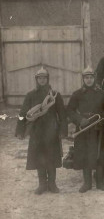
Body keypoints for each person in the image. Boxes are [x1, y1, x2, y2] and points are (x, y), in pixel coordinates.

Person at [15, 67, 67, 195]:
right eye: (40, 78)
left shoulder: (55, 94)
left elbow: (62, 114)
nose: (42, 80)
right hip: (37, 131)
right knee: (39, 157)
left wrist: (62, 130)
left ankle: (52, 184)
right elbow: (23, 113)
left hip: (51, 130)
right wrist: (20, 130)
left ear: (47, 79)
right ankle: (42, 184)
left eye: (44, 78)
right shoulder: (31, 95)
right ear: (36, 80)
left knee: (52, 157)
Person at [66, 66, 104, 193]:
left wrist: (103, 122)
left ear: (94, 78)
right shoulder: (77, 94)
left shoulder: (101, 93)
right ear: (83, 79)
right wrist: (80, 120)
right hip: (83, 128)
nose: (89, 80)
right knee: (85, 154)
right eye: (86, 78)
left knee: (99, 155)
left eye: (91, 77)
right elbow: (70, 110)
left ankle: (100, 182)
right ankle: (87, 183)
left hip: (98, 128)